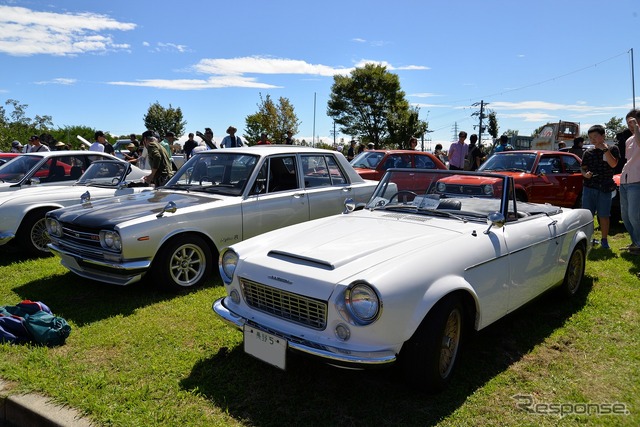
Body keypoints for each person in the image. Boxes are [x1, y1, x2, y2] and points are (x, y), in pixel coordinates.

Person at [581, 124, 619, 250]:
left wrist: (605, 150)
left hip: (605, 187)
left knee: (604, 215)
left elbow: (613, 164)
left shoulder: (613, 149)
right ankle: (588, 239)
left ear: (603, 136)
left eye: (595, 136)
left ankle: (604, 240)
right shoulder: (588, 152)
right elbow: (583, 168)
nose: (593, 140)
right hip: (589, 186)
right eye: (590, 137)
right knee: (587, 215)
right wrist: (585, 174)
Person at [619, 109, 640, 254]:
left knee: (634, 215)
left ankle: (639, 244)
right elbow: (628, 160)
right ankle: (635, 242)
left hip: (637, 181)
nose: (630, 125)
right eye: (628, 123)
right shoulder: (628, 140)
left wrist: (637, 129)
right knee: (625, 216)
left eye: (633, 122)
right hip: (625, 180)